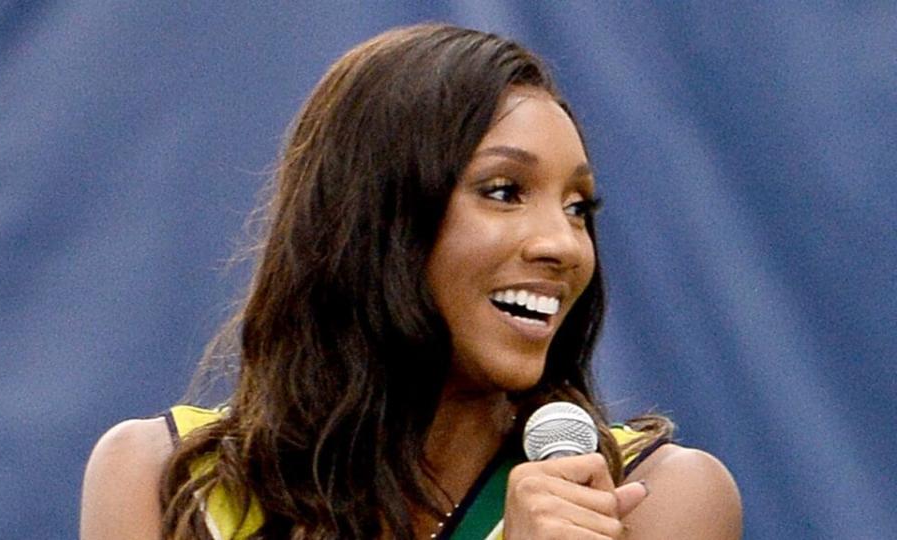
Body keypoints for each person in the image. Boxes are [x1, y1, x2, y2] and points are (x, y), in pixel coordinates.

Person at [81, 24, 741, 539]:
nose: (563, 245)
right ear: (375, 217)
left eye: (578, 208)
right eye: (505, 191)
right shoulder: (164, 483)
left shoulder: (648, 499)